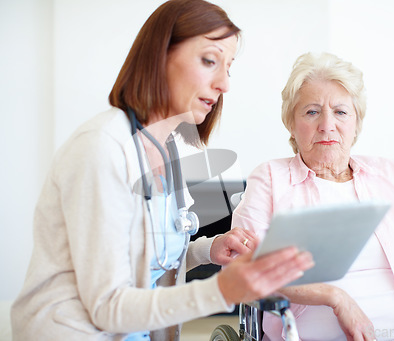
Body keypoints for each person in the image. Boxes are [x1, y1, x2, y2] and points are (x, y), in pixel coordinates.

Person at [10, 1, 314, 340]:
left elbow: (149, 262)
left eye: (228, 68)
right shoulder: (101, 148)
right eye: (209, 60)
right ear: (160, 56)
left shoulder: (166, 148)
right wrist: (221, 291)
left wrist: (207, 249)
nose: (224, 84)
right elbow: (107, 305)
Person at [231, 52, 394, 341]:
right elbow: (246, 268)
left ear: (356, 122)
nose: (327, 124)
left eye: (340, 112)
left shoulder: (392, 175)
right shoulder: (271, 178)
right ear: (290, 122)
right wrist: (335, 296)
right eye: (312, 112)